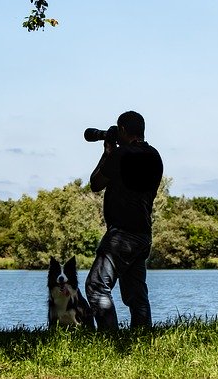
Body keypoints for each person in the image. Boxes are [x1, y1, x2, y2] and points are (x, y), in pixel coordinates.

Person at [85, 110, 163, 330]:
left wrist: (108, 151)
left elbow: (96, 183)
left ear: (122, 130)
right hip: (143, 234)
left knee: (96, 286)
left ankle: (109, 339)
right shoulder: (155, 156)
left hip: (122, 234)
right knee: (136, 294)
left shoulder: (121, 155)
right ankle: (142, 335)